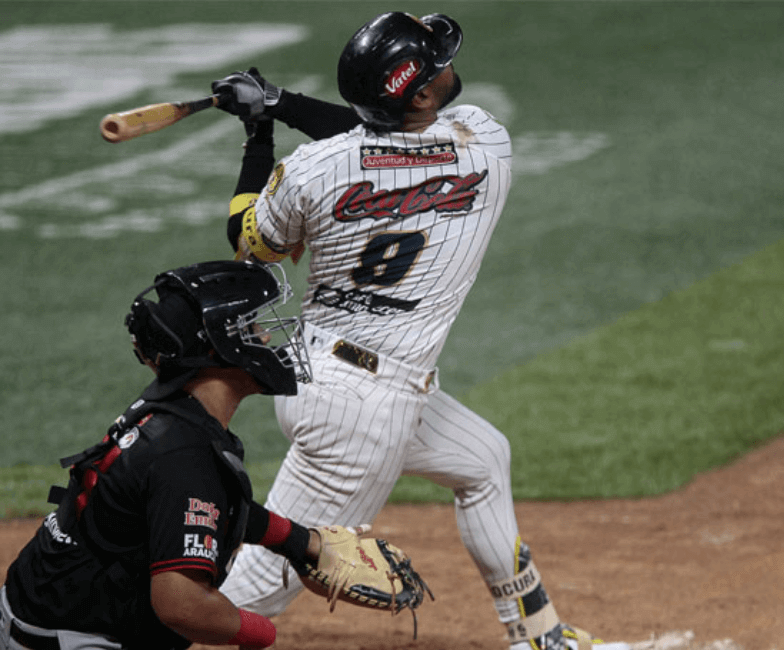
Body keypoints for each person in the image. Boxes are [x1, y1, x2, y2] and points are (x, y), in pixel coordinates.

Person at [210, 12, 631, 650]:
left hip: (336, 382)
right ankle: (96, 631)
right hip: (363, 414)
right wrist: (284, 103)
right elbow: (380, 134)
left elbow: (248, 242)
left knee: (483, 460)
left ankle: (540, 638)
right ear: (425, 95)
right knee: (258, 590)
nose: (447, 65)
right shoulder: (486, 144)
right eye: (436, 65)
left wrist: (261, 127)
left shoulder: (311, 170)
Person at [1, 260, 336, 650]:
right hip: (67, 640)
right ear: (218, 347)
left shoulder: (171, 411)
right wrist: (262, 634)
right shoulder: (183, 453)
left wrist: (295, 540)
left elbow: (193, 506)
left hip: (41, 617)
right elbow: (182, 606)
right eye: (250, 327)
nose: (266, 336)